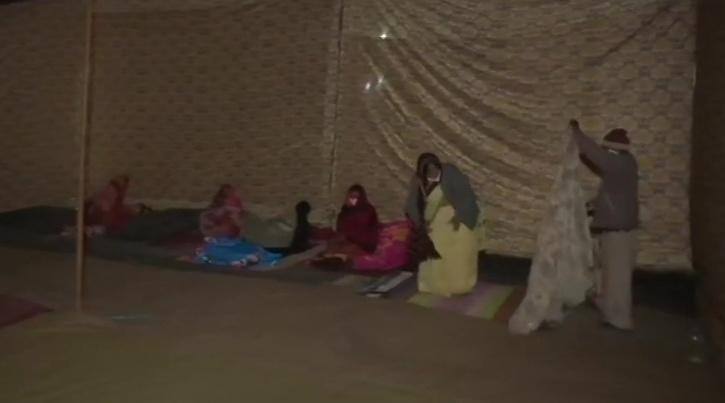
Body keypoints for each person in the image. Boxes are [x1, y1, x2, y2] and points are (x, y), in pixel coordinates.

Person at [570, 119, 639, 330]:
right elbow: (612, 195)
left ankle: (620, 319)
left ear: (613, 149)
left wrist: (576, 132)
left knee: (617, 278)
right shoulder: (626, 163)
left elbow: (594, 154)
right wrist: (591, 205)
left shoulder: (619, 163)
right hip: (617, 229)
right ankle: (610, 313)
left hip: (619, 231)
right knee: (610, 273)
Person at [405, 153, 480, 297]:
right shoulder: (417, 180)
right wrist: (421, 225)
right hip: (432, 221)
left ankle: (460, 286)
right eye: (429, 171)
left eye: (435, 169)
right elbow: (411, 205)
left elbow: (467, 197)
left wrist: (459, 217)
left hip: (458, 216)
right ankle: (434, 285)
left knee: (460, 251)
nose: (434, 172)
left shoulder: (451, 172)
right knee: (436, 250)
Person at [195, 185, 281, 268]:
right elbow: (208, 230)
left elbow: (243, 233)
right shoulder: (211, 215)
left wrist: (238, 222)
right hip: (221, 247)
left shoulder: (239, 216)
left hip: (235, 245)